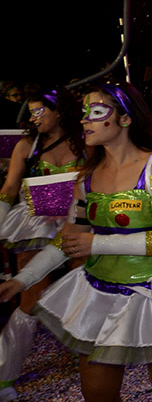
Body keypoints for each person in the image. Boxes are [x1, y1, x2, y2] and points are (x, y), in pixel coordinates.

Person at [0, 83, 152, 402]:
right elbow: (69, 239)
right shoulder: (87, 177)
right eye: (84, 113)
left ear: (125, 119)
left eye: (96, 112)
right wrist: (22, 279)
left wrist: (98, 244)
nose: (85, 120)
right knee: (97, 393)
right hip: (99, 297)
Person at [0, 88, 85, 402]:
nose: (35, 118)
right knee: (30, 297)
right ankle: (4, 374)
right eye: (31, 112)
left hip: (75, 220)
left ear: (59, 111)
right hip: (34, 223)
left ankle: (88, 353)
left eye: (41, 111)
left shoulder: (84, 142)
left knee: (84, 283)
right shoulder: (27, 146)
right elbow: (10, 188)